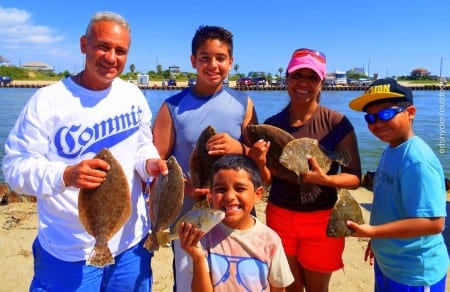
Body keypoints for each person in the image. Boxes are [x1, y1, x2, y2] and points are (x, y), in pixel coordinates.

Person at [2, 11, 167, 291]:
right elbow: (15, 169)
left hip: (131, 244)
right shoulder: (47, 102)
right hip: (68, 251)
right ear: (83, 45)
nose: (111, 57)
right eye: (103, 46)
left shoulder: (133, 95)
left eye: (120, 50)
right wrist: (66, 175)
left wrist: (149, 162)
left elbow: (141, 145)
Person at [152, 25, 258, 291]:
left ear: (231, 62)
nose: (213, 65)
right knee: (190, 283)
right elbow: (156, 162)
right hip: (189, 217)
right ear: (193, 61)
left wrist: (240, 148)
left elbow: (258, 162)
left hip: (234, 213)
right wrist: (180, 186)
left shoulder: (244, 104)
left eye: (220, 58)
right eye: (205, 58)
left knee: (234, 281)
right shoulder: (172, 107)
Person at [249, 48, 362, 291]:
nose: (303, 83)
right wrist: (258, 161)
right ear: (287, 80)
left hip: (322, 219)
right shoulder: (271, 126)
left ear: (321, 83)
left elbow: (354, 178)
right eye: (297, 75)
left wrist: (324, 180)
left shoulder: (336, 123)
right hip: (280, 215)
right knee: (288, 287)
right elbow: (268, 180)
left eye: (312, 77)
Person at [347, 78, 449, 291]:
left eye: (386, 114)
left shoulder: (417, 160)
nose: (377, 123)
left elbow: (433, 223)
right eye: (371, 117)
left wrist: (372, 232)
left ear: (410, 112)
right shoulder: (392, 149)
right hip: (389, 263)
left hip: (414, 273)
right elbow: (391, 206)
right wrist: (377, 242)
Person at [178, 154, 294, 291]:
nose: (229, 197)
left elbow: (278, 287)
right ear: (211, 195)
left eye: (240, 188)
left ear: (258, 194)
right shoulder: (204, 238)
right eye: (221, 190)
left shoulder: (270, 240)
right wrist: (197, 257)